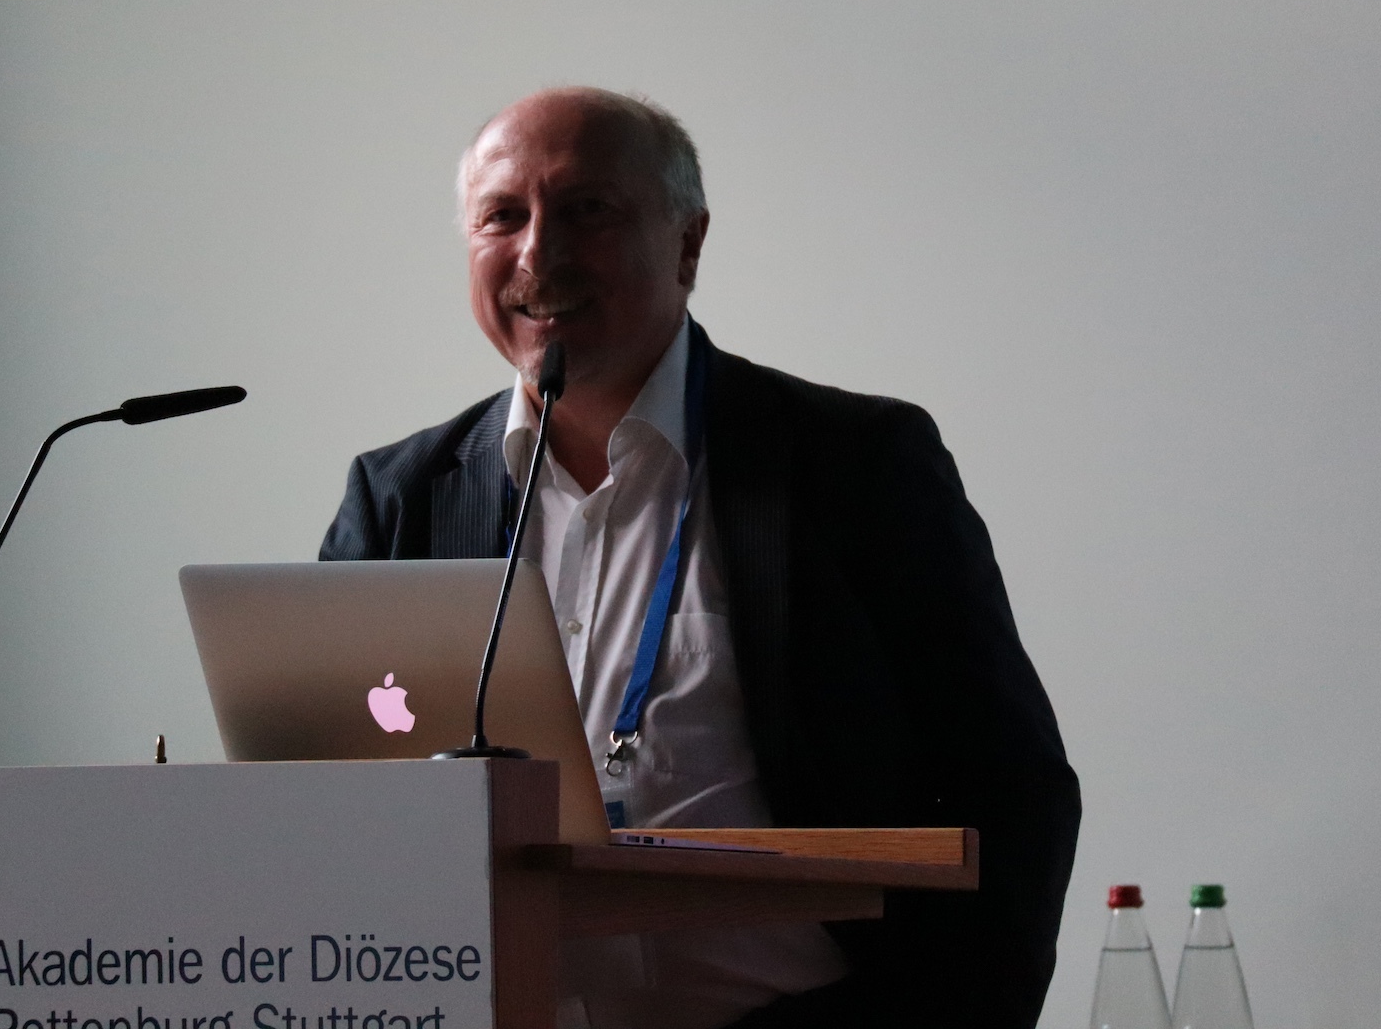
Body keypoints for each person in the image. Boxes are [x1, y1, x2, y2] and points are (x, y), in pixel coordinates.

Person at [321, 87, 1081, 1028]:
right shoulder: (399, 498)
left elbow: (1013, 787)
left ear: (688, 245)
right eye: (502, 217)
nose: (539, 253)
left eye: (587, 210)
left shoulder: (854, 465)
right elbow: (316, 810)